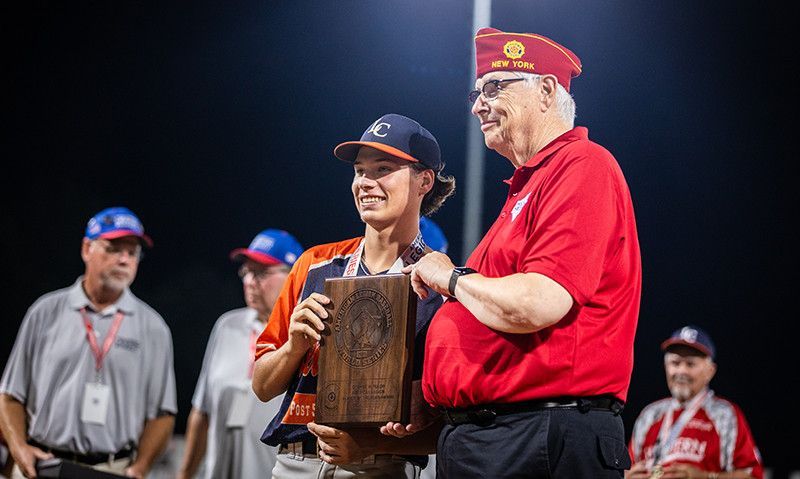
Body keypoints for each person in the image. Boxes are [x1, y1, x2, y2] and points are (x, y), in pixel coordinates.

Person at [391, 27, 642, 478]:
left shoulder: (582, 166)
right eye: (476, 91)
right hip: (501, 436)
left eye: (493, 87)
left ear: (546, 90)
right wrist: (437, 395)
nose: (477, 105)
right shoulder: (528, 186)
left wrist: (448, 276)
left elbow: (536, 303)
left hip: (538, 436)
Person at [251, 113, 455, 478]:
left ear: (424, 181)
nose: (366, 182)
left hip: (381, 467)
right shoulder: (314, 264)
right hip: (292, 461)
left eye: (383, 169)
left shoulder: (441, 287)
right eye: (360, 171)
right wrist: (294, 346)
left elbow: (448, 424)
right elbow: (262, 386)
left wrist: (373, 445)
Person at [0, 206, 177, 479]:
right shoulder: (45, 311)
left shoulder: (153, 328)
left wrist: (141, 467)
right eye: (113, 249)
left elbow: (163, 414)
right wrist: (19, 446)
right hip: (39, 465)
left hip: (110, 469)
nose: (124, 260)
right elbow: (11, 394)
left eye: (132, 253)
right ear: (86, 249)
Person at [177, 229, 304, 479]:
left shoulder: (303, 335)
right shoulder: (227, 326)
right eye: (246, 272)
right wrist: (185, 474)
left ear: (294, 276)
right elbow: (201, 411)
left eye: (261, 273)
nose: (249, 281)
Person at [627, 326, 763, 479]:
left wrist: (705, 477)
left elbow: (753, 476)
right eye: (675, 363)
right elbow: (628, 468)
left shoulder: (724, 414)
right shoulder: (650, 415)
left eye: (690, 364)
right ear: (665, 367)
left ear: (710, 371)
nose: (681, 371)